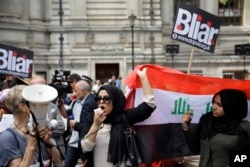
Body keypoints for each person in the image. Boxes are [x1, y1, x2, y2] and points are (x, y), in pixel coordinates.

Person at [80, 67, 156, 166]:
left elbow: (149, 105)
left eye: (106, 98)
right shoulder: (91, 118)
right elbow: (85, 148)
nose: (101, 101)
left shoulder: (124, 117)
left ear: (115, 101)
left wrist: (143, 77)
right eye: (99, 98)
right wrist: (95, 124)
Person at [182, 88, 250, 167]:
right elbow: (195, 148)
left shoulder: (244, 127)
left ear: (231, 106)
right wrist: (186, 127)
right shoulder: (206, 121)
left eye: (219, 105)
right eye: (214, 102)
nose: (214, 107)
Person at [0, 85, 62, 166]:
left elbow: (56, 159)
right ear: (22, 107)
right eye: (35, 103)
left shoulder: (37, 129)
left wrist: (48, 142)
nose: (42, 106)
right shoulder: (7, 138)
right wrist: (31, 146)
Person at [30, 75, 66, 162]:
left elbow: (61, 127)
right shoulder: (26, 107)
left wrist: (43, 131)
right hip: (34, 152)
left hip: (55, 151)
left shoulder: (52, 106)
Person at [65, 79, 97, 167]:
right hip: (77, 142)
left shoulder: (88, 104)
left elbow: (86, 126)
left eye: (76, 91)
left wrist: (75, 124)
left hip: (84, 141)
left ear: (83, 91)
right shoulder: (91, 100)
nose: (75, 93)